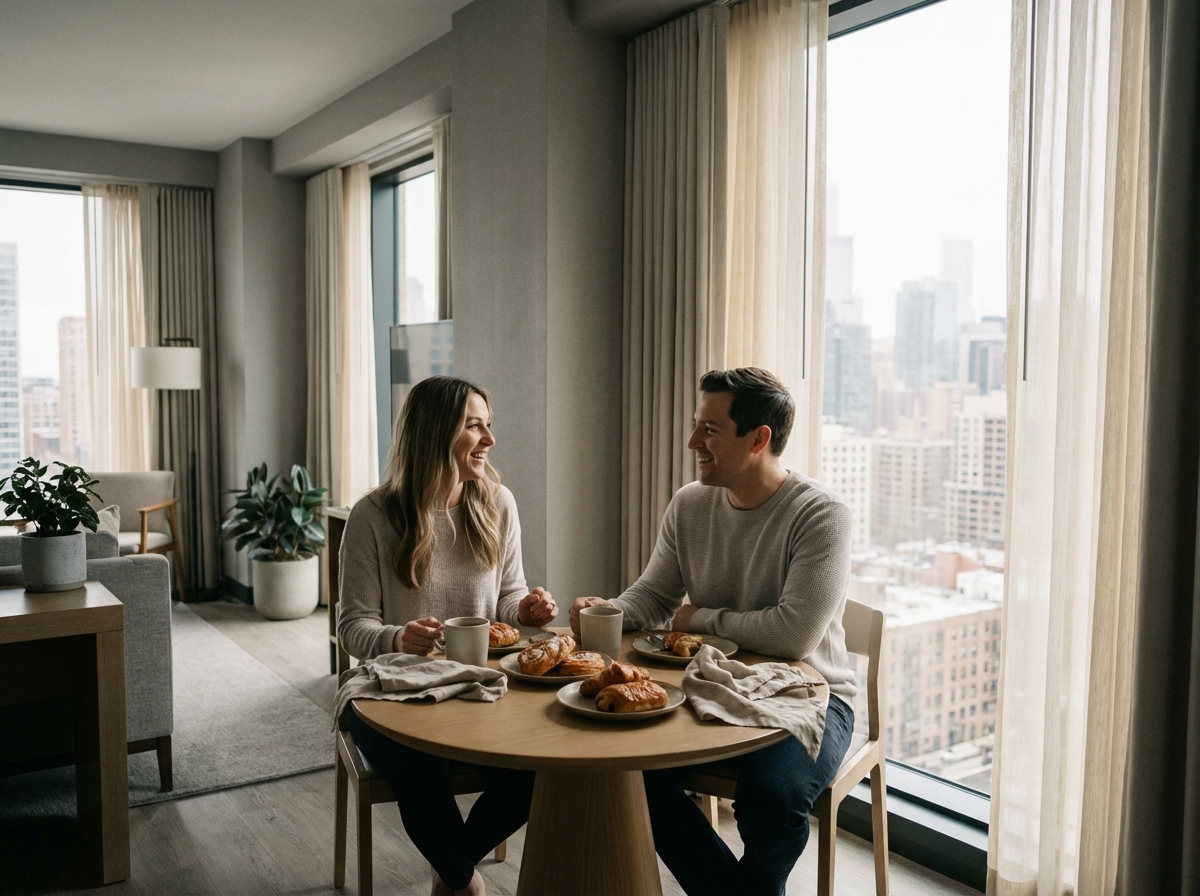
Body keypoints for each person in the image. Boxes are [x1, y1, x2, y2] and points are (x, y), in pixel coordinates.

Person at [570, 367, 857, 896]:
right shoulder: (691, 503)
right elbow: (655, 595)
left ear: (758, 439)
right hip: (710, 684)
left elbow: (793, 635)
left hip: (811, 694)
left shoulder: (821, 514)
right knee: (626, 770)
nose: (691, 442)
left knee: (772, 797)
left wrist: (698, 618)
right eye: (696, 425)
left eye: (709, 430)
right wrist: (606, 611)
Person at [338, 375, 556, 896]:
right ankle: (464, 883)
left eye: (488, 425)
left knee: (543, 761)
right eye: (474, 426)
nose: (490, 439)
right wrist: (397, 639)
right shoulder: (372, 516)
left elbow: (507, 598)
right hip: (389, 691)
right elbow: (352, 627)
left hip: (478, 685)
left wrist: (526, 609)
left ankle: (452, 868)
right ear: (436, 432)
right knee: (422, 767)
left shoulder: (498, 503)